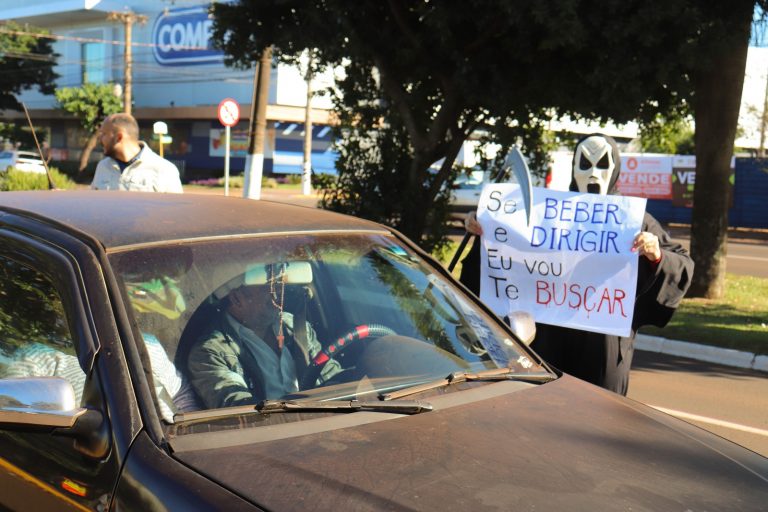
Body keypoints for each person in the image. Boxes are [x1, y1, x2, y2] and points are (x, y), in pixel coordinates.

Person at [459, 134, 694, 395]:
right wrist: (485, 229)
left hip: (603, 346)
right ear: (574, 167)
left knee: (601, 418)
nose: (593, 172)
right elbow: (506, 252)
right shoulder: (545, 214)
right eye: (585, 163)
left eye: (603, 163)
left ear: (615, 168)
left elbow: (681, 264)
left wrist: (655, 254)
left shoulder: (634, 221)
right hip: (548, 341)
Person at [187, 267, 342, 409]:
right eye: (268, 287)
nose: (279, 292)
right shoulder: (210, 352)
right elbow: (238, 408)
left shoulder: (295, 326)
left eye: (278, 284)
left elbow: (330, 375)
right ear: (236, 299)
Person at [91, 113, 183, 193]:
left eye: (103, 134)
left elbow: (175, 211)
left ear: (118, 138)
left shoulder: (165, 170)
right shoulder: (102, 166)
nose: (100, 139)